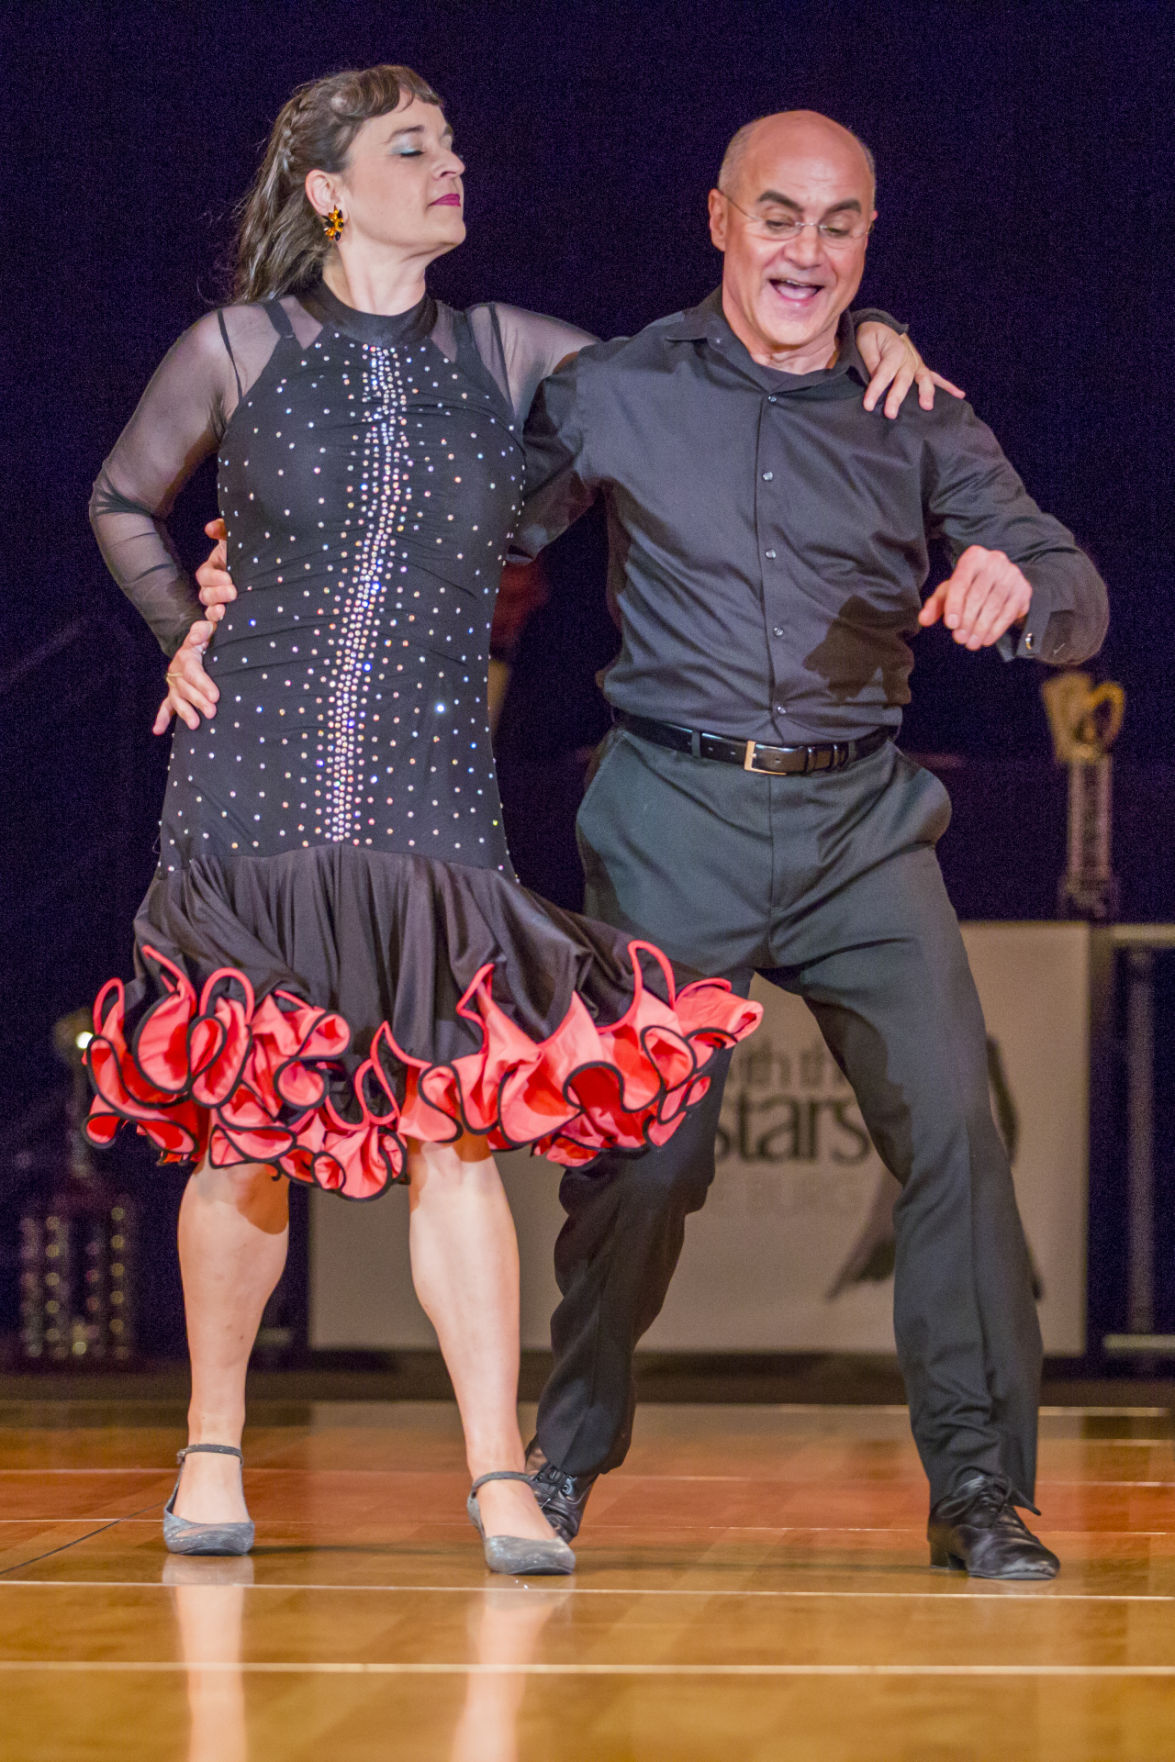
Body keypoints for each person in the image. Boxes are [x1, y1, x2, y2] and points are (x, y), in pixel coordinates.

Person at [167, 80, 943, 1566]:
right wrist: (189, 615)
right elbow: (141, 502)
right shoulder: (246, 348)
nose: (453, 164)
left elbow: (715, 369)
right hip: (263, 765)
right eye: (416, 147)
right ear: (329, 187)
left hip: (430, 778)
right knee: (247, 1122)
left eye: (457, 141)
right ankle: (211, 1449)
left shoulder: (507, 346)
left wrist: (869, 337)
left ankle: (500, 1475)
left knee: (454, 1126)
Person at [500, 110, 1109, 1581]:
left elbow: (1075, 588)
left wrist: (1006, 590)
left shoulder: (920, 413)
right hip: (672, 816)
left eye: (841, 228)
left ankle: (978, 1490)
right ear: (719, 218)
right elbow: (468, 529)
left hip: (858, 826)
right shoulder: (615, 388)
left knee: (957, 1133)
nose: (808, 252)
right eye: (780, 217)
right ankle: (560, 1460)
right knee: (649, 1154)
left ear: (868, 243)